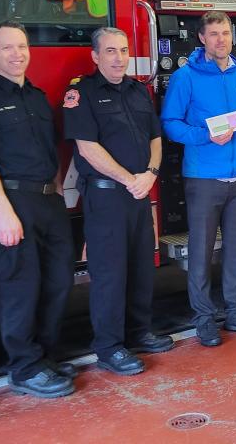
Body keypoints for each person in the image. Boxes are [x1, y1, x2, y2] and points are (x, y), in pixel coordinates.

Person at [0, 21, 76, 398]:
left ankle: (43, 356)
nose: (17, 54)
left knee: (58, 281)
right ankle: (24, 367)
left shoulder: (38, 97)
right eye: (8, 48)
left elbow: (50, 152)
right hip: (12, 203)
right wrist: (4, 213)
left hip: (48, 201)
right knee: (21, 289)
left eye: (22, 46)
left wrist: (59, 192)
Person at [63, 27, 173, 377]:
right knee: (110, 274)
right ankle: (109, 347)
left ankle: (138, 332)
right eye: (110, 51)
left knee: (141, 267)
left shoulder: (138, 90)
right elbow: (87, 147)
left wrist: (151, 174)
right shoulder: (82, 93)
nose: (118, 57)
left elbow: (156, 136)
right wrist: (129, 180)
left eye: (123, 50)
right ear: (95, 56)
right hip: (107, 196)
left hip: (139, 193)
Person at [160, 10, 236, 346]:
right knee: (201, 251)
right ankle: (204, 319)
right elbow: (171, 124)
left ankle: (235, 313)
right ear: (202, 38)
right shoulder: (185, 77)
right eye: (214, 34)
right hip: (204, 179)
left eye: (226, 33)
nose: (221, 39)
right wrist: (205, 135)